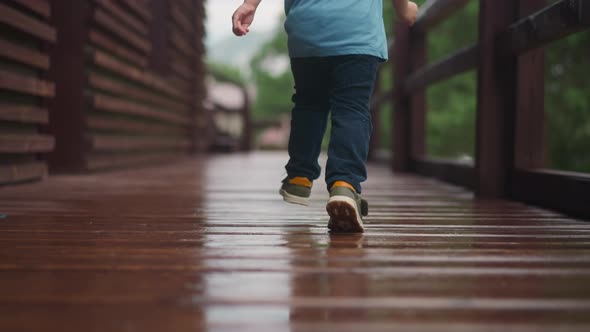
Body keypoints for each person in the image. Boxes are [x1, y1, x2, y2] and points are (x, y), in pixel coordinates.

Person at [232, 0, 418, 233]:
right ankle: (344, 184)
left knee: (309, 104)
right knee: (352, 108)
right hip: (357, 32)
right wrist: (405, 9)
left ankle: (299, 175)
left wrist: (250, 4)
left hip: (308, 31)